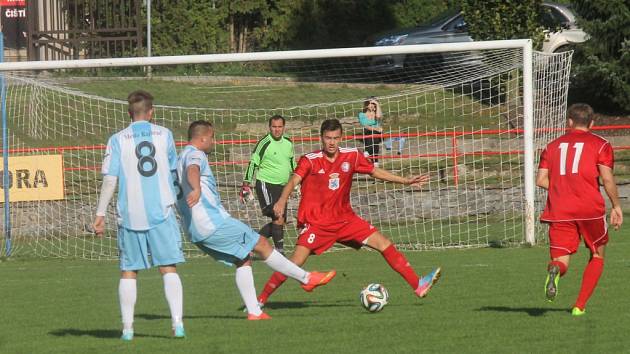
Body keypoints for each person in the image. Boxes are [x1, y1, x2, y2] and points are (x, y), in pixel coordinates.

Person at [257, 118, 441, 306]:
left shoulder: (352, 156)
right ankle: (260, 300)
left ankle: (418, 285)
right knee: (294, 262)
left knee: (384, 243)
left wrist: (405, 181)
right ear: (321, 138)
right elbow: (293, 181)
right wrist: (281, 200)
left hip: (346, 220)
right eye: (328, 138)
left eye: (336, 138)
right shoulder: (310, 160)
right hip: (317, 223)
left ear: (341, 138)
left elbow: (374, 172)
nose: (332, 142)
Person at [177, 120, 336, 320]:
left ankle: (254, 312)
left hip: (193, 229)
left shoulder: (179, 157)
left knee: (242, 258)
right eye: (213, 137)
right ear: (204, 137)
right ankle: (306, 278)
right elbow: (193, 169)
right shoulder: (195, 155)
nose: (214, 142)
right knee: (261, 243)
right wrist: (197, 188)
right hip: (212, 222)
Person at [92, 90, 185, 341]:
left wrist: (100, 213)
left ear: (128, 113)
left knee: (129, 271)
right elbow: (175, 173)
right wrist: (181, 204)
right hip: (162, 212)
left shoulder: (117, 139)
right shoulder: (165, 135)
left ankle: (128, 329)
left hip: (131, 215)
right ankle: (177, 325)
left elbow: (110, 180)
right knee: (168, 268)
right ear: (151, 112)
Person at [537, 103, 623, 316]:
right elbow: (607, 179)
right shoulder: (601, 144)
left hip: (559, 209)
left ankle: (555, 271)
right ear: (592, 123)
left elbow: (541, 180)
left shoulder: (551, 146)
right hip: (589, 208)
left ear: (569, 122)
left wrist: (563, 189)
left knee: (560, 258)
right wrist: (616, 206)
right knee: (597, 254)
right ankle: (579, 306)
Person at [241, 115, 296, 254]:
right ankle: (280, 252)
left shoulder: (288, 142)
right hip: (266, 185)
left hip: (282, 187)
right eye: (274, 127)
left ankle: (250, 244)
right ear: (269, 127)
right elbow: (253, 163)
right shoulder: (264, 143)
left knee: (280, 220)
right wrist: (246, 184)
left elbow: (292, 163)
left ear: (284, 127)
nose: (277, 130)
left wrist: (296, 182)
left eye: (280, 127)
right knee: (278, 216)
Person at [358, 97, 383, 166]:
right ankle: (375, 161)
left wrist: (377, 104)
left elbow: (378, 117)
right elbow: (365, 125)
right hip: (368, 133)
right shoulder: (361, 114)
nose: (372, 105)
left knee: (374, 135)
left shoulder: (377, 113)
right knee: (374, 137)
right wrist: (375, 129)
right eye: (370, 103)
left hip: (377, 134)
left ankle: (367, 151)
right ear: (366, 105)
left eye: (373, 104)